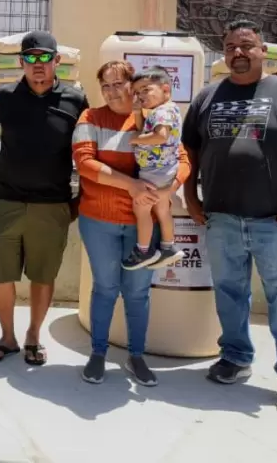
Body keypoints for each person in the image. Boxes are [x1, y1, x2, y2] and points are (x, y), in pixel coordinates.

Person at [182, 19, 277, 413]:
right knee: (230, 293)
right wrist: (189, 197)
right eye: (230, 47)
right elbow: (189, 153)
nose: (238, 53)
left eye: (247, 46)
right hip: (222, 217)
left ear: (263, 51)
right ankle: (236, 358)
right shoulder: (207, 96)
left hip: (274, 221)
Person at [0, 30, 88, 367]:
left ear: (57, 61)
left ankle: (33, 336)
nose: (38, 65)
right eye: (31, 58)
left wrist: (81, 199)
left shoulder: (76, 100)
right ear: (22, 62)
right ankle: (7, 337)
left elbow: (87, 148)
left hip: (53, 206)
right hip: (7, 201)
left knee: (43, 276)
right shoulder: (5, 96)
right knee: (0, 274)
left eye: (44, 58)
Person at [72, 60, 192, 386]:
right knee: (106, 288)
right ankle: (97, 354)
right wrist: (133, 185)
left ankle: (136, 356)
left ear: (133, 86)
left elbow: (181, 159)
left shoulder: (154, 117)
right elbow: (85, 163)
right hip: (99, 220)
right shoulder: (90, 118)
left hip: (144, 223)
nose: (112, 92)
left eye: (118, 84)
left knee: (138, 292)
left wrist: (170, 188)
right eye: (105, 86)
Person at [125, 67, 186, 270]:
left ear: (165, 89)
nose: (141, 95)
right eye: (137, 92)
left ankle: (143, 251)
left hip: (154, 173)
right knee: (162, 209)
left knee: (141, 208)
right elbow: (146, 128)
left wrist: (134, 140)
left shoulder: (163, 111)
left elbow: (160, 136)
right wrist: (136, 112)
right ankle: (168, 246)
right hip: (164, 171)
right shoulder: (163, 110)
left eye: (146, 89)